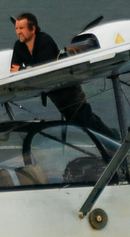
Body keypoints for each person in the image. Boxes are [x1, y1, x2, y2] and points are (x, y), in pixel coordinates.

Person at [11, 12, 116, 141]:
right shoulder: (19, 46)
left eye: (21, 28)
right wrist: (24, 70)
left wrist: (22, 70)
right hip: (53, 92)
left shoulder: (45, 40)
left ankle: (114, 139)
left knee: (84, 118)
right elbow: (13, 69)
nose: (18, 32)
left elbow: (46, 69)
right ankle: (112, 139)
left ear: (32, 29)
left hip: (67, 86)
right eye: (17, 28)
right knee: (75, 121)